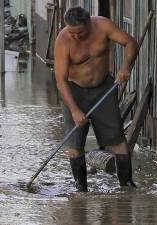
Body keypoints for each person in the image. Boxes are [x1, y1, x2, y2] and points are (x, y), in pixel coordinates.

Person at [54, 7, 138, 192]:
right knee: (75, 143)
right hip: (74, 91)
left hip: (103, 89)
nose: (75, 37)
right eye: (71, 32)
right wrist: (75, 110)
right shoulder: (63, 40)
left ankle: (127, 185)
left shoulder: (102, 25)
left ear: (89, 24)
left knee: (117, 138)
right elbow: (60, 81)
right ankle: (81, 188)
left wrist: (126, 66)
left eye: (80, 32)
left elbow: (130, 42)